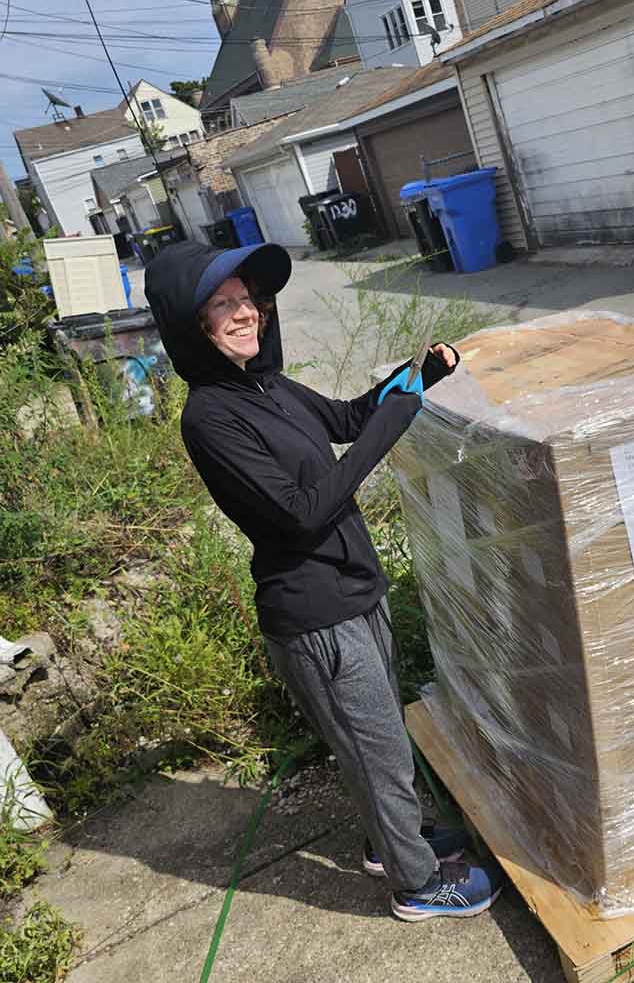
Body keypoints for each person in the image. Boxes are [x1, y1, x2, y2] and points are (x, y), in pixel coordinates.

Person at [145, 240, 504, 921]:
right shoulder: (211, 419)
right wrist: (397, 422)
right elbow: (303, 513)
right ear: (191, 328)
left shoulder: (267, 385)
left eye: (248, 298)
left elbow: (345, 419)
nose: (244, 312)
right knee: (378, 749)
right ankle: (417, 883)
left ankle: (388, 840)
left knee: (378, 741)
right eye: (222, 304)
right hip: (315, 615)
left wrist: (415, 377)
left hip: (353, 587)